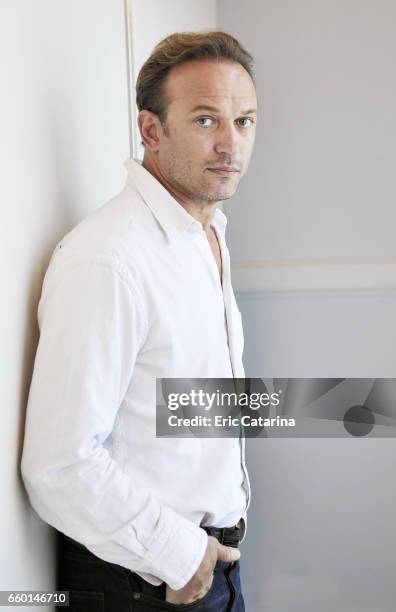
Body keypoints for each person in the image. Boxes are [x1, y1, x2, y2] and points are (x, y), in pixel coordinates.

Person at [21, 30, 257, 611]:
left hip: (208, 570)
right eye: (206, 120)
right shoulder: (110, 259)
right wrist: (183, 557)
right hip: (146, 583)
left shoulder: (205, 238)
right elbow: (58, 463)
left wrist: (356, 408)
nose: (231, 143)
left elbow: (176, 404)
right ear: (151, 130)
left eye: (245, 121)